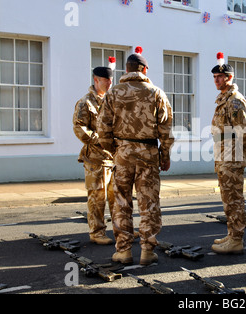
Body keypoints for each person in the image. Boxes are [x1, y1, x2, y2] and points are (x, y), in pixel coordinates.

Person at [97, 46, 174, 265]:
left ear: (127, 69)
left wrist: (115, 150)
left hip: (123, 153)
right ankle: (147, 251)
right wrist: (164, 155)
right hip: (148, 153)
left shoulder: (113, 92)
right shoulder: (156, 93)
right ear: (144, 70)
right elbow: (166, 131)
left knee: (121, 202)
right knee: (148, 202)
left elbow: (103, 129)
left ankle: (123, 251)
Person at [210, 52, 246, 254]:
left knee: (234, 199)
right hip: (223, 153)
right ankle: (232, 233)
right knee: (228, 198)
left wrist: (242, 154)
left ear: (229, 78)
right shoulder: (223, 99)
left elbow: (243, 132)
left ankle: (237, 239)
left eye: (220, 77)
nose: (216, 80)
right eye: (214, 77)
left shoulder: (235, 101)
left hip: (232, 155)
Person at [73, 57, 116, 245]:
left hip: (113, 158)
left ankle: (121, 229)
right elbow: (79, 128)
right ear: (96, 79)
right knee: (98, 197)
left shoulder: (111, 100)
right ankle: (97, 232)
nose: (109, 84)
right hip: (96, 158)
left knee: (117, 198)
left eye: (111, 80)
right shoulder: (85, 102)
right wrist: (100, 140)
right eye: (106, 81)